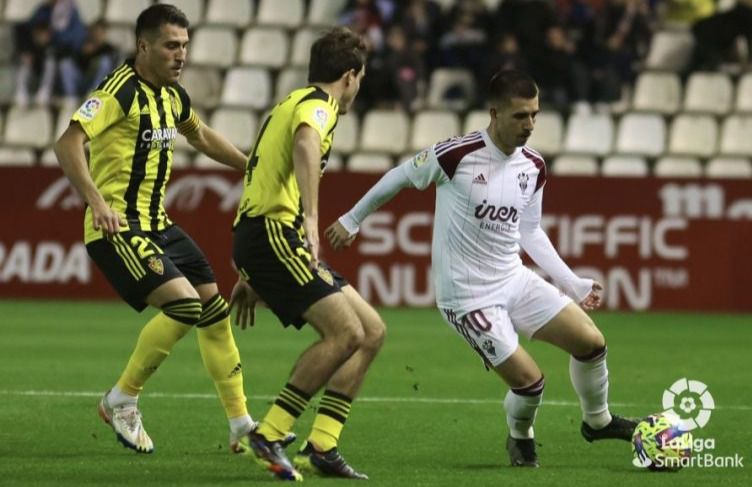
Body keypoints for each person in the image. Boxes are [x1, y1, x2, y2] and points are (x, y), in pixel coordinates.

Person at [326, 69, 637, 468]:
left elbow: (531, 231)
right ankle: (521, 437)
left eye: (535, 115)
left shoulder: (534, 166)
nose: (530, 125)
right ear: (495, 113)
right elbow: (399, 177)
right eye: (520, 116)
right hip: (467, 295)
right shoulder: (456, 155)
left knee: (591, 343)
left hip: (513, 278)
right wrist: (353, 219)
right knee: (530, 385)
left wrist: (572, 282)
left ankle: (598, 421)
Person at [54, 4, 267, 457]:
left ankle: (241, 423)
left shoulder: (173, 96)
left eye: (185, 46)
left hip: (160, 226)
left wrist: (250, 166)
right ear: (143, 46)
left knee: (213, 309)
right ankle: (122, 399)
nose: (181, 55)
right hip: (118, 228)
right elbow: (68, 141)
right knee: (186, 305)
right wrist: (96, 202)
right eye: (172, 46)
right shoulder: (117, 91)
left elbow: (202, 136)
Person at [230, 27, 385, 481]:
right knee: (346, 333)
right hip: (274, 232)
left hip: (265, 237)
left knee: (372, 330)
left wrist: (250, 270)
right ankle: (270, 433)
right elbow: (304, 142)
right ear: (351, 76)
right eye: (362, 78)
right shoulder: (319, 107)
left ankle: (323, 446)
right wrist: (312, 220)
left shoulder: (289, 102)